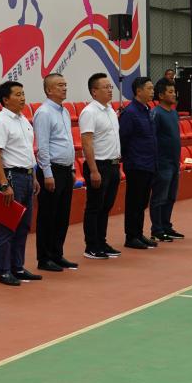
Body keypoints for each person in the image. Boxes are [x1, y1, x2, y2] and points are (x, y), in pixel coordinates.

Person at [0, 80, 41, 286]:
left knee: (24, 225)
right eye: (17, 94)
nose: (23, 98)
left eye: (23, 93)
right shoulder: (0, 122)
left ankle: (17, 267)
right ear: (5, 99)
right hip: (11, 177)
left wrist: (33, 176)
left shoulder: (23, 120)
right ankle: (4, 271)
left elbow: (27, 151)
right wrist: (4, 184)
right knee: (8, 226)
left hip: (26, 175)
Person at [33, 73, 78, 272]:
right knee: (48, 216)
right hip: (52, 170)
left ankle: (57, 254)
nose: (64, 88)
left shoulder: (64, 111)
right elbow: (42, 146)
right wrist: (48, 174)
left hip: (65, 170)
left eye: (65, 84)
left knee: (62, 215)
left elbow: (68, 142)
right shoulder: (44, 113)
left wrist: (73, 168)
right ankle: (44, 258)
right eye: (60, 85)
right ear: (48, 90)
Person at [78, 73, 122, 260]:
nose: (110, 90)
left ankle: (101, 241)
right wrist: (94, 170)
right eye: (105, 87)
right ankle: (91, 246)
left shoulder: (110, 110)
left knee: (106, 206)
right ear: (94, 91)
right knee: (94, 206)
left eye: (110, 87)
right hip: (99, 165)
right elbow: (87, 142)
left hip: (113, 165)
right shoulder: (89, 112)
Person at [118, 76, 158, 250]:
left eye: (152, 88)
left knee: (142, 202)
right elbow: (123, 138)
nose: (152, 91)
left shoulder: (147, 109)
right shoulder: (130, 112)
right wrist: (129, 158)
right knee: (134, 202)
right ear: (138, 91)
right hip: (136, 164)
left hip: (148, 162)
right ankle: (131, 236)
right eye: (149, 88)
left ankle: (138, 233)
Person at [150, 78, 185, 243]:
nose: (174, 95)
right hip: (162, 162)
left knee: (171, 196)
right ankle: (157, 229)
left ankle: (166, 226)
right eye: (170, 92)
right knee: (159, 197)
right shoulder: (156, 113)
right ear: (161, 95)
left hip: (173, 162)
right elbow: (152, 138)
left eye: (174, 91)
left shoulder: (173, 113)